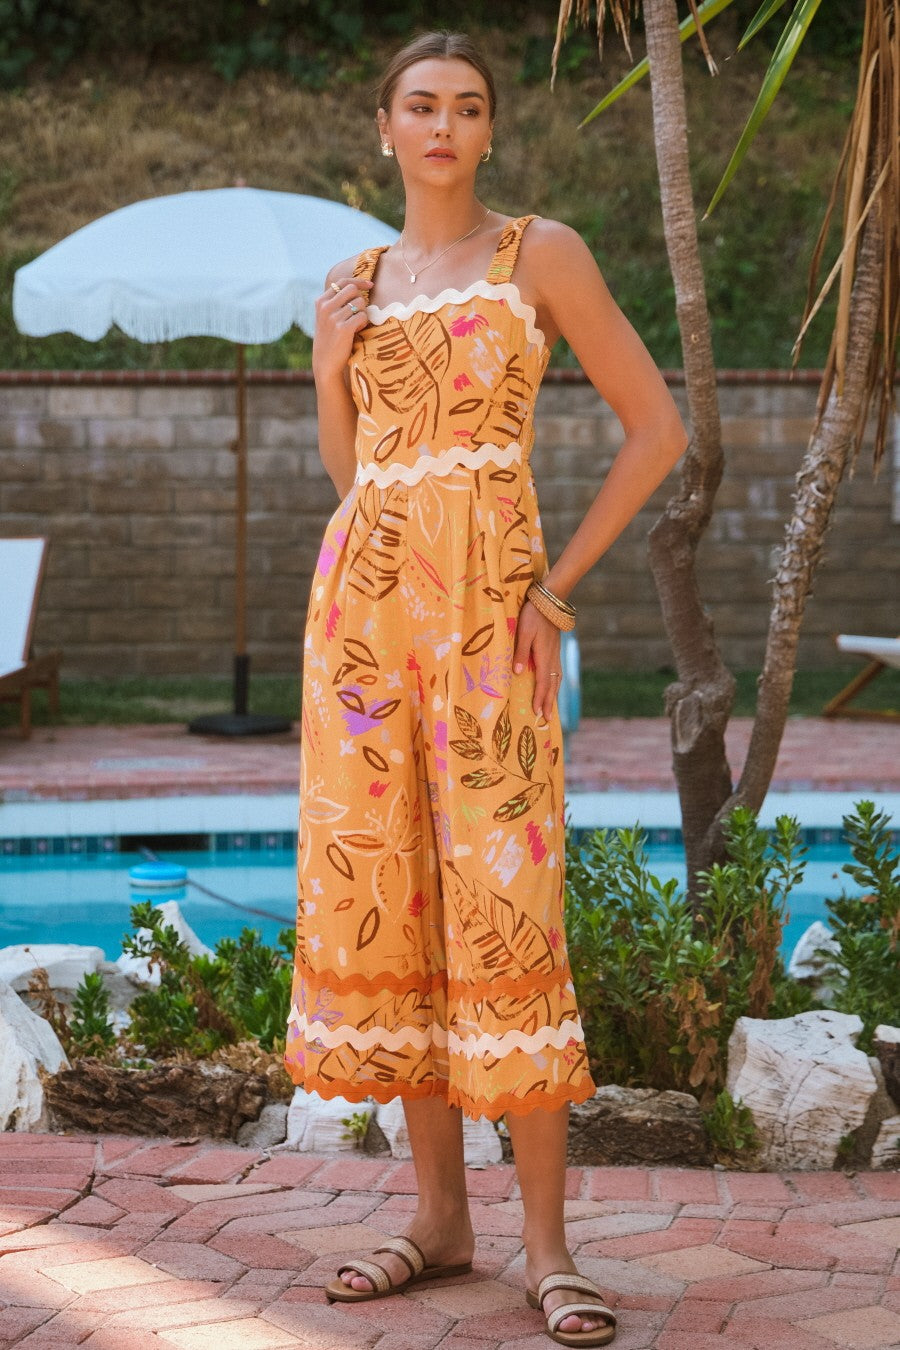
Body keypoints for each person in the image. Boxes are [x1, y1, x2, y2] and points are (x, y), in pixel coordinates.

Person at [284, 30, 687, 1348]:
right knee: (396, 895)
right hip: (363, 622)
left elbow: (659, 429)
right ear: (385, 127)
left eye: (466, 106)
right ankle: (441, 1219)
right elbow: (354, 474)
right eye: (421, 105)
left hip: (490, 621)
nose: (443, 125)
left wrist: (552, 592)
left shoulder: (539, 254)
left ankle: (549, 1249)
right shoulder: (352, 281)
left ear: (491, 130)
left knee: (506, 910)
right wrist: (325, 366)